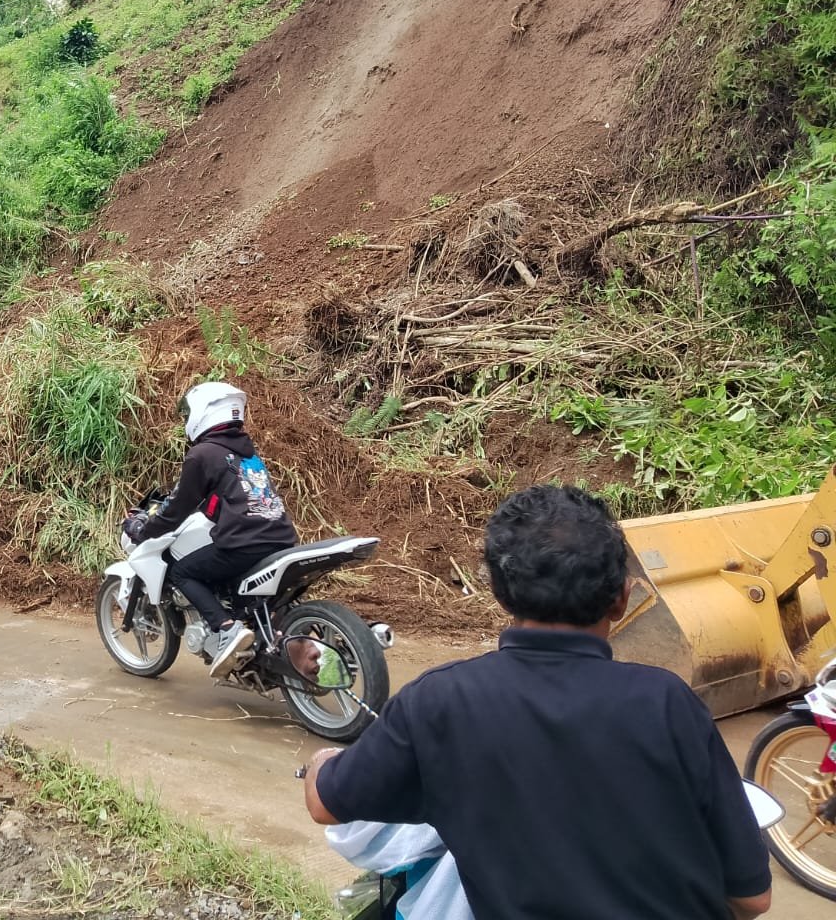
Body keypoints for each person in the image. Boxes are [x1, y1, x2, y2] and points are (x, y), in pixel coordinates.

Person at [298, 485, 773, 920]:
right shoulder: (670, 703)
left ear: (501, 594)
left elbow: (326, 805)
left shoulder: (441, 701)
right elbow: (752, 898)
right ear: (621, 600)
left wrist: (321, 761)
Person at [132, 381, 295, 678]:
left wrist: (143, 531)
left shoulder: (203, 454)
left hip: (245, 542)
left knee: (183, 572)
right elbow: (229, 499)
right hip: (281, 538)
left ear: (204, 413)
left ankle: (227, 629)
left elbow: (176, 509)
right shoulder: (247, 454)